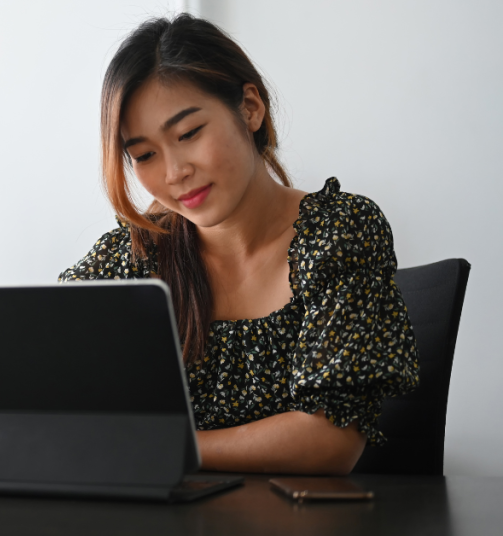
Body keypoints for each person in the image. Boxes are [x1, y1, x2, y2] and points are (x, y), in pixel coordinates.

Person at [59, 14, 419, 475]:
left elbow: (330, 442)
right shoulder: (131, 257)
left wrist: (161, 445)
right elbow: (50, 388)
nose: (173, 173)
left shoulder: (340, 231)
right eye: (145, 155)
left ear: (250, 108)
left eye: (188, 134)